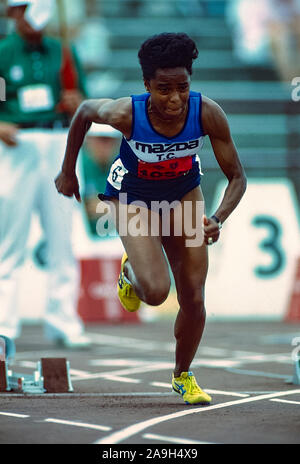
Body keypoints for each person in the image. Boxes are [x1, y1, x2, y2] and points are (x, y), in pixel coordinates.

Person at [55, 33, 247, 404]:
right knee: (157, 293)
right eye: (163, 89)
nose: (174, 99)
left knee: (193, 296)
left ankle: (182, 375)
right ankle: (130, 274)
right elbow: (81, 114)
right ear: (146, 85)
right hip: (133, 198)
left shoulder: (206, 112)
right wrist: (68, 172)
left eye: (182, 87)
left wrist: (218, 218)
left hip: (184, 195)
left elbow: (238, 177)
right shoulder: (126, 112)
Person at [0, 0, 91, 348]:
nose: (29, 16)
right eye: (22, 8)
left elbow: (81, 97)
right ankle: (5, 324)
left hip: (58, 142)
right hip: (17, 144)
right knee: (10, 239)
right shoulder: (4, 54)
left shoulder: (62, 50)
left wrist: (74, 99)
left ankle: (63, 321)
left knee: (62, 237)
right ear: (12, 13)